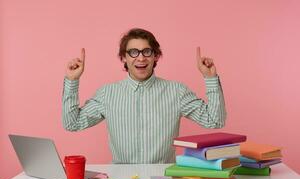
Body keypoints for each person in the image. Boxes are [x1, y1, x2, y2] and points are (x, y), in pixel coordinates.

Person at [62, 28, 226, 164]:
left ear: (155, 56)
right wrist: (72, 80)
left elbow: (215, 120)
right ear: (124, 57)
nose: (141, 58)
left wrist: (210, 78)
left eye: (147, 51)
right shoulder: (107, 93)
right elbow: (72, 123)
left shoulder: (176, 91)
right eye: (133, 52)